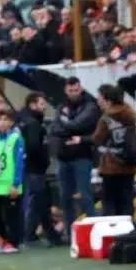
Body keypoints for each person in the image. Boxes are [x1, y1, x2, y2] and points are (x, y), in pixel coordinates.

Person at [49, 77, 101, 239]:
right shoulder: (61, 105)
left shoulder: (90, 104)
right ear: (66, 90)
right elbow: (55, 128)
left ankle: (93, 232)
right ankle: (70, 233)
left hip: (82, 156)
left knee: (85, 195)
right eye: (70, 90)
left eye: (76, 90)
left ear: (81, 88)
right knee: (65, 196)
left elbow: (77, 124)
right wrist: (67, 126)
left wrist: (66, 124)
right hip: (63, 156)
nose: (74, 93)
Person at [91, 84, 136, 217]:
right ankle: (128, 232)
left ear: (108, 100)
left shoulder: (106, 118)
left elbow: (97, 138)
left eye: (100, 97)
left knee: (109, 201)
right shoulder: (130, 113)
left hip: (111, 166)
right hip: (129, 162)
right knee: (126, 201)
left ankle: (112, 233)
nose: (98, 100)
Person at [18, 93, 59, 245]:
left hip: (27, 167)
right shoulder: (33, 123)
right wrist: (44, 159)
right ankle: (32, 235)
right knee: (38, 202)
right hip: (35, 168)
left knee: (37, 201)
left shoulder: (22, 120)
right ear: (32, 105)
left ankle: (42, 234)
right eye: (41, 104)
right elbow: (34, 146)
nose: (44, 107)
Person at [0, 109, 24, 253]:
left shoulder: (16, 139)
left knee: (11, 215)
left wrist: (15, 184)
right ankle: (2, 238)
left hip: (10, 184)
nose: (1, 122)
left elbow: (19, 163)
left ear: (11, 122)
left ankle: (13, 242)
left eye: (5, 119)